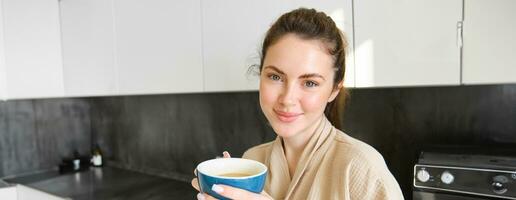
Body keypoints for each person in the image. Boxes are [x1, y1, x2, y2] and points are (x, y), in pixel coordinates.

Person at [192, 8, 404, 200]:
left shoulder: (361, 168)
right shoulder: (253, 161)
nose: (287, 98)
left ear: (333, 89)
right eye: (275, 77)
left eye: (310, 83)